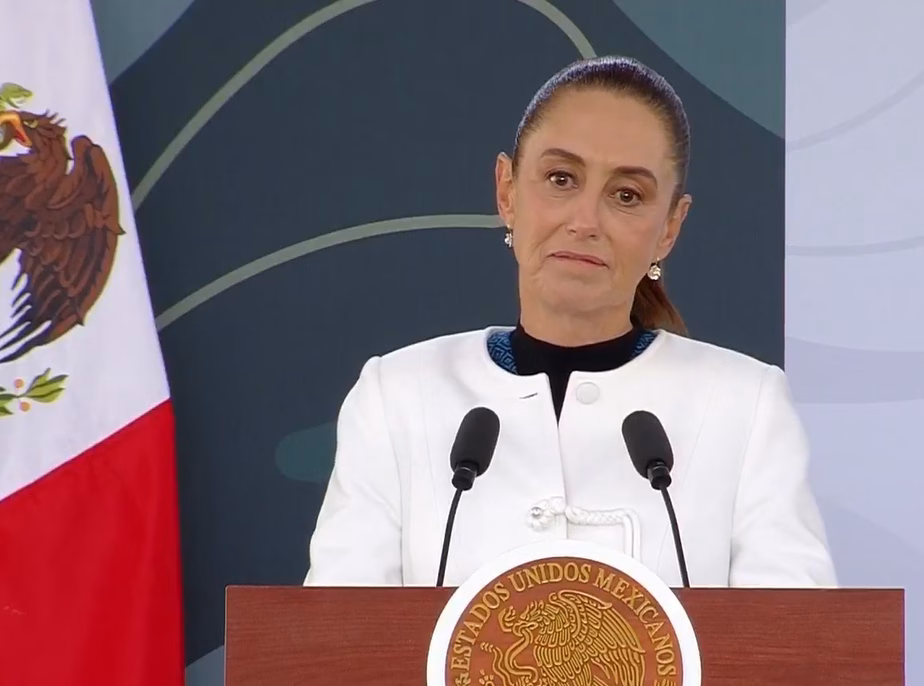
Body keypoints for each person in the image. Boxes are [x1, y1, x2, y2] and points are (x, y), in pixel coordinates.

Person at [304, 55, 836, 589]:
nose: (585, 222)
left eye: (626, 195)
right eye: (561, 179)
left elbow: (794, 635)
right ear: (507, 191)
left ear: (670, 228)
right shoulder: (397, 397)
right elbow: (336, 632)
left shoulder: (745, 407)